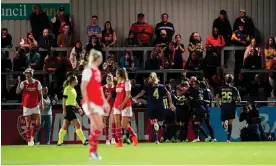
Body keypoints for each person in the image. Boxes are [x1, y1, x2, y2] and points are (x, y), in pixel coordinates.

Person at [81, 49, 110, 160]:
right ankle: (93, 152)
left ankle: (92, 152)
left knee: (96, 127)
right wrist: (88, 103)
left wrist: (104, 102)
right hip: (90, 102)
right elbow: (83, 87)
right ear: (96, 58)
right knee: (98, 125)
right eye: (100, 58)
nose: (101, 60)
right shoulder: (88, 71)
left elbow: (98, 89)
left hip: (97, 102)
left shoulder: (97, 71)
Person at [133, 72, 175, 144]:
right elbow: (168, 94)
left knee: (153, 122)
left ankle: (156, 140)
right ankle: (159, 127)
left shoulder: (147, 86)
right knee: (161, 122)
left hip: (151, 106)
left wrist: (135, 97)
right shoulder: (162, 86)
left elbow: (142, 93)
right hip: (160, 106)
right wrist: (170, 103)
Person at [57, 75, 88, 146]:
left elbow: (74, 101)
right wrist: (64, 110)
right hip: (69, 108)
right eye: (76, 79)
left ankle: (59, 141)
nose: (77, 80)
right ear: (73, 81)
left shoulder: (73, 89)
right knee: (77, 124)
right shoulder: (67, 89)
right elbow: (64, 101)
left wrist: (79, 108)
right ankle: (84, 140)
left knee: (65, 125)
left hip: (72, 107)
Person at [16, 68, 43, 146]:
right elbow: (17, 92)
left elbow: (40, 94)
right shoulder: (23, 83)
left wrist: (42, 104)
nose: (26, 75)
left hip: (35, 105)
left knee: (38, 123)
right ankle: (29, 140)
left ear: (31, 74)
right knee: (28, 122)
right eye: (26, 74)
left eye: (28, 74)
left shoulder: (37, 83)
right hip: (26, 106)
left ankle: (32, 136)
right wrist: (18, 82)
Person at [113, 68, 138, 147]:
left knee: (124, 125)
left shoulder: (127, 83)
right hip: (116, 105)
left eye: (116, 73)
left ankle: (134, 135)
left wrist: (122, 105)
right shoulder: (118, 82)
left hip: (125, 105)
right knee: (117, 123)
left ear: (119, 74)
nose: (115, 75)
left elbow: (128, 96)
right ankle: (119, 142)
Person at [216, 74, 241, 143]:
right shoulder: (234, 88)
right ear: (232, 80)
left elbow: (217, 97)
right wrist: (237, 103)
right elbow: (239, 99)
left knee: (223, 122)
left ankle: (225, 122)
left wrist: (218, 104)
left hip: (224, 106)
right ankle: (228, 139)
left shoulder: (221, 88)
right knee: (230, 123)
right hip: (231, 106)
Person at [102, 74, 116, 145]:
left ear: (113, 79)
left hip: (114, 106)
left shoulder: (115, 88)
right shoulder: (103, 88)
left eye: (110, 78)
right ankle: (107, 139)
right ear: (106, 80)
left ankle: (113, 139)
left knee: (113, 123)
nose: (109, 80)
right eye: (107, 79)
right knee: (106, 123)